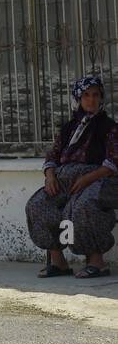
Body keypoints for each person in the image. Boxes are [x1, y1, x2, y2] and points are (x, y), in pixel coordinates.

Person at [25, 74, 118, 279]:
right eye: (86, 95)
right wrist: (50, 177)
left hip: (98, 179)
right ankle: (58, 262)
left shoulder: (109, 127)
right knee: (38, 204)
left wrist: (87, 179)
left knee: (81, 207)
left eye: (95, 95)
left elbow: (112, 163)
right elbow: (53, 155)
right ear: (78, 98)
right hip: (65, 179)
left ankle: (96, 262)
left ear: (101, 98)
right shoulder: (69, 127)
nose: (91, 99)